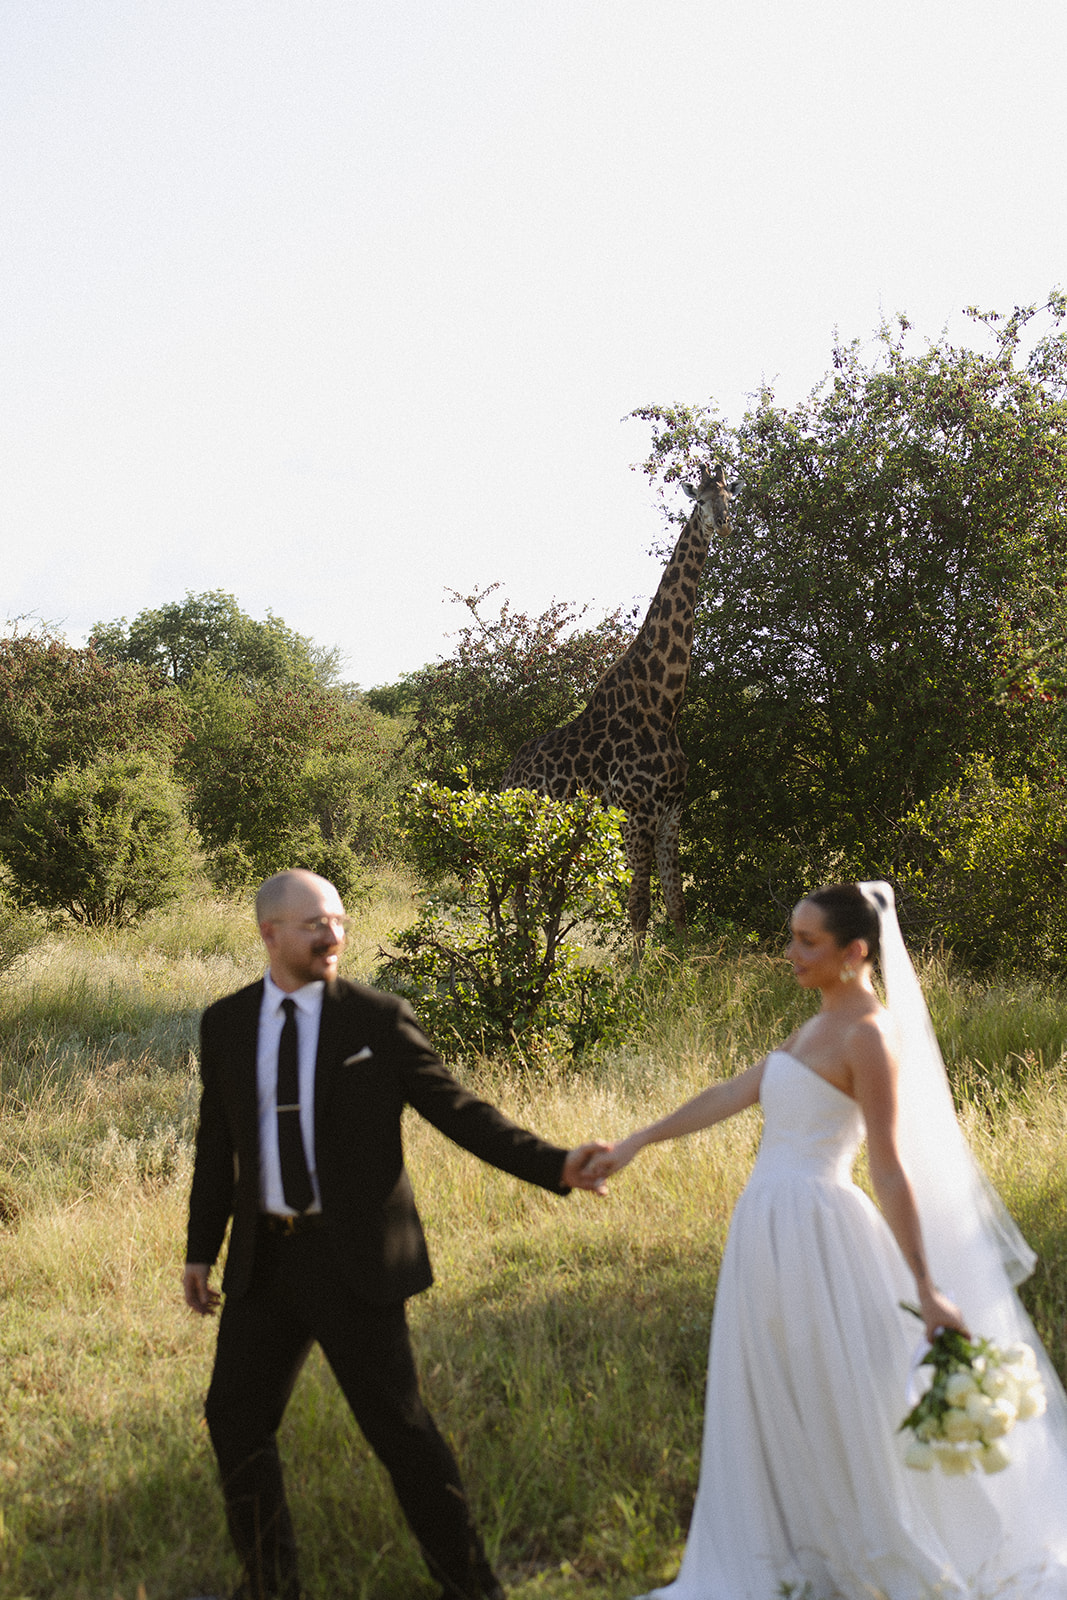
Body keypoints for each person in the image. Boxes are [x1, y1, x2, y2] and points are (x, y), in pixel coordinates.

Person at [586, 881, 1067, 1598]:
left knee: (841, 1389)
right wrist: (637, 1141)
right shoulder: (812, 1025)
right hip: (764, 1227)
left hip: (820, 1229)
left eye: (805, 941)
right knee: (774, 1381)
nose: (789, 953)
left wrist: (925, 1283)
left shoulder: (869, 1035)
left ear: (855, 952)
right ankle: (794, 1543)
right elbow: (732, 1092)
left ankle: (866, 1547)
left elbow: (887, 1162)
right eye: (791, 937)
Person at [183, 867, 608, 1600]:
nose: (333, 935)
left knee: (401, 1433)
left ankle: (471, 1587)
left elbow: (457, 1109)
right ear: (269, 933)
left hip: (354, 1265)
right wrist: (200, 1249)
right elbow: (215, 1146)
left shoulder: (374, 1019)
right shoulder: (225, 1023)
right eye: (315, 924)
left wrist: (554, 1165)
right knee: (233, 1420)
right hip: (265, 1265)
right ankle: (271, 1584)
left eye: (339, 921)